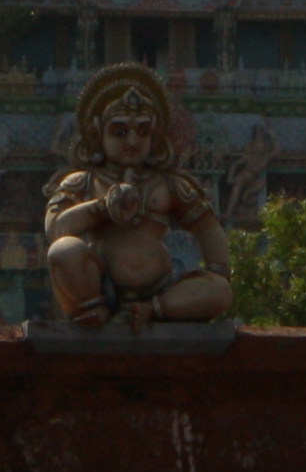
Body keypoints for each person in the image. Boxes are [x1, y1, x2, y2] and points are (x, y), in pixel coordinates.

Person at [43, 62, 234, 329]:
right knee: (63, 250)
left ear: (155, 136)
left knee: (220, 290)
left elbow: (207, 227)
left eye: (142, 132)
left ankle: (152, 310)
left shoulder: (167, 184)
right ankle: (92, 308)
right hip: (103, 286)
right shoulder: (83, 182)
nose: (132, 141)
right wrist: (101, 208)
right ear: (97, 134)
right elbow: (55, 229)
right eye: (120, 132)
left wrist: (217, 270)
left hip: (160, 289)